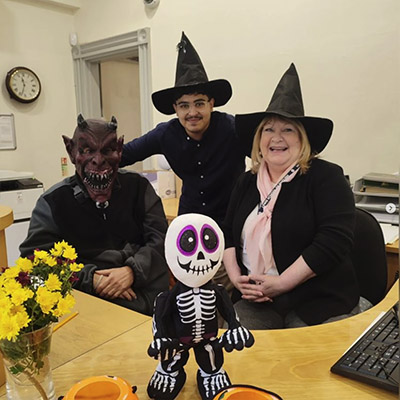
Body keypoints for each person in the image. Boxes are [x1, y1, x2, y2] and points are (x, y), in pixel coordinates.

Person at [223, 63, 363, 329]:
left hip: (318, 298)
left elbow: (332, 242)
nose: (277, 138)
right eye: (268, 129)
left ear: (302, 139)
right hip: (257, 297)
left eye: (288, 129)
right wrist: (235, 277)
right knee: (239, 350)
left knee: (304, 361)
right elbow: (228, 231)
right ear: (259, 139)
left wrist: (283, 283)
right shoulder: (247, 180)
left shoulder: (326, 177)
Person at [20, 115, 169, 316]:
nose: (98, 160)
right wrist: (90, 279)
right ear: (71, 151)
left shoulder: (139, 188)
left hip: (145, 298)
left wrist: (133, 271)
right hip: (86, 303)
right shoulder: (53, 202)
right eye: (87, 150)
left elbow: (161, 240)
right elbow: (36, 258)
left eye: (107, 150)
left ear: (120, 150)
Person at [120, 32, 245, 228]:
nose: (192, 112)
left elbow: (267, 155)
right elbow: (123, 154)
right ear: (175, 108)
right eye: (184, 105)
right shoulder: (165, 134)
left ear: (211, 104)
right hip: (189, 223)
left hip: (232, 222)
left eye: (199, 103)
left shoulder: (232, 129)